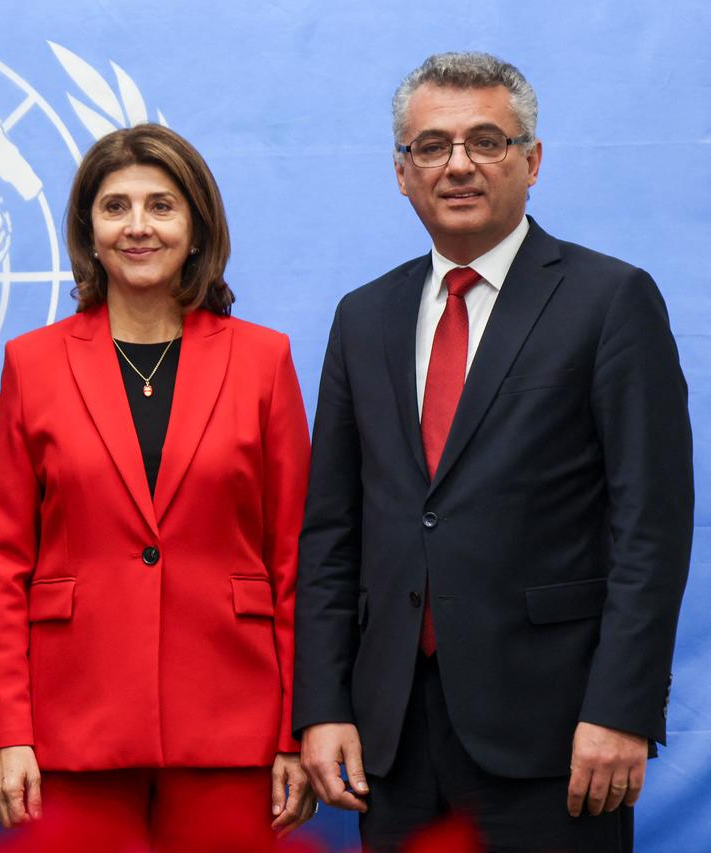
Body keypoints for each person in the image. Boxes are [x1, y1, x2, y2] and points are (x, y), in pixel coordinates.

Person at [293, 52, 693, 852]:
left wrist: (621, 708)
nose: (460, 165)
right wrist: (323, 706)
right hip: (393, 736)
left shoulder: (610, 300)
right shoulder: (363, 315)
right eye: (432, 146)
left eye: (488, 141)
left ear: (532, 160)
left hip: (557, 734)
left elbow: (651, 526)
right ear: (402, 172)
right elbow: (332, 534)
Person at [0, 123, 316, 851]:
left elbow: (295, 559)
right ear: (88, 232)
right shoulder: (32, 365)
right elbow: (4, 564)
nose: (138, 226)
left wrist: (297, 728)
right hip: (73, 729)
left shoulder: (263, 360)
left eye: (161, 206)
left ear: (196, 228)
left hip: (235, 725)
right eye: (115, 207)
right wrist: (8, 730)